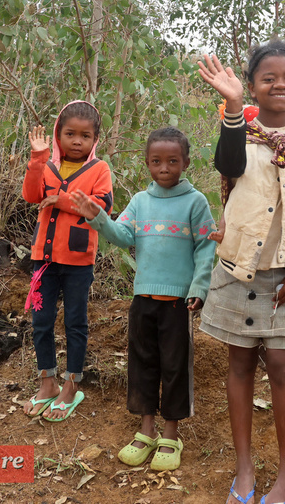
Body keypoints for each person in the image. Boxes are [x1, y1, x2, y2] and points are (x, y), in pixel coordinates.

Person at [197, 41, 285, 504]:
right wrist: (234, 108)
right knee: (238, 365)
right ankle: (244, 468)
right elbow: (228, 164)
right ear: (253, 84)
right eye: (268, 77)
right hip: (238, 270)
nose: (280, 84)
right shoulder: (240, 132)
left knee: (281, 368)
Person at [70, 127, 216, 471]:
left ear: (186, 162)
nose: (164, 168)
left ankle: (170, 434)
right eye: (156, 161)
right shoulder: (140, 201)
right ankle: (145, 430)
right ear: (147, 163)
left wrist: (199, 287)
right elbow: (122, 236)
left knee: (176, 366)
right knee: (143, 363)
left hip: (178, 303)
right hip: (143, 300)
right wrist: (97, 216)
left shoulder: (195, 202)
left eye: (172, 161)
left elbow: (206, 247)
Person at [21, 100, 113, 422]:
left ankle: (72, 384)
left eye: (85, 136)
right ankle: (47, 382)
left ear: (95, 140)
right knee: (41, 321)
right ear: (58, 135)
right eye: (70, 134)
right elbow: (31, 195)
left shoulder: (99, 170)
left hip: (78, 262)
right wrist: (37, 158)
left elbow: (100, 207)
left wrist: (59, 200)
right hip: (43, 260)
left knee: (75, 322)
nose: (77, 141)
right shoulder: (46, 166)